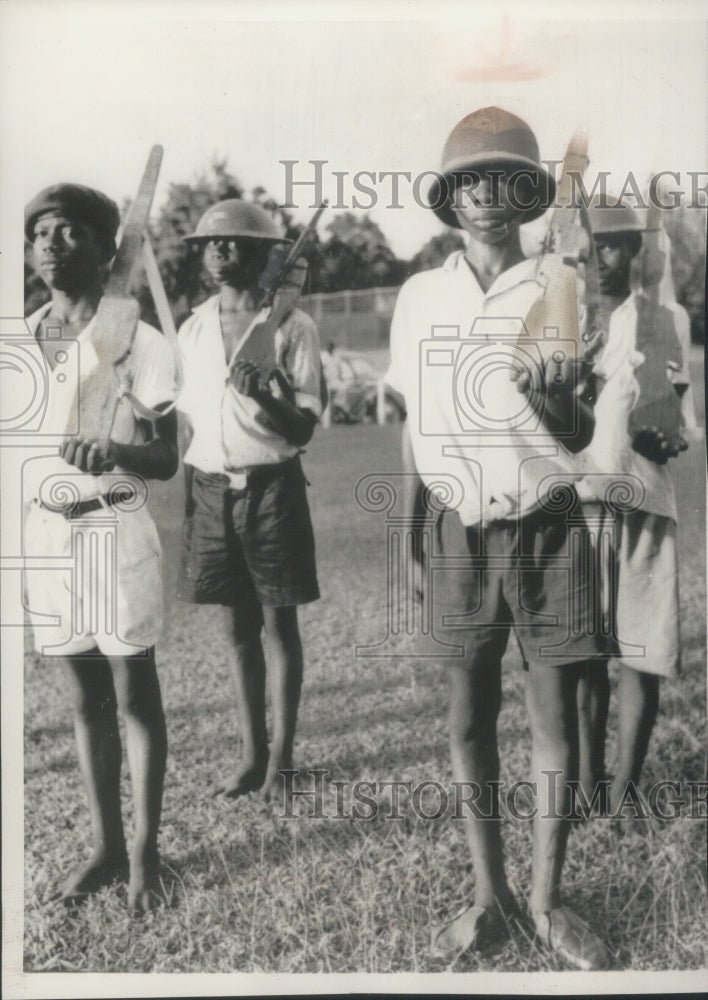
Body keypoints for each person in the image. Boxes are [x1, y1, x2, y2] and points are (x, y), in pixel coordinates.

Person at [385, 107, 609, 969]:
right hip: (456, 530)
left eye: (508, 179)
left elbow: (577, 432)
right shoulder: (419, 295)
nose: (488, 193)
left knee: (553, 717)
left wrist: (552, 390)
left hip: (547, 526)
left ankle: (548, 899)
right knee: (468, 715)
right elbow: (413, 428)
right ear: (450, 197)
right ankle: (490, 896)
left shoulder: (559, 283)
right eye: (471, 179)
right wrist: (409, 533)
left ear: (529, 195)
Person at [23, 184, 179, 912]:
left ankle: (147, 853)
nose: (51, 244)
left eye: (71, 232)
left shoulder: (140, 339)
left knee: (133, 694)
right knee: (84, 702)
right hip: (46, 537)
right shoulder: (20, 337)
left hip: (113, 526)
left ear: (108, 250)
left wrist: (114, 447)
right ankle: (106, 848)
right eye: (40, 233)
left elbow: (165, 457)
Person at [177, 199, 322, 802]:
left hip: (272, 490)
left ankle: (284, 759)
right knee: (236, 630)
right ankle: (251, 754)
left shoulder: (292, 326)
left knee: (277, 626)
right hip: (211, 489)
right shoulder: (191, 327)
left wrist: (264, 397)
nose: (219, 252)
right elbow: (188, 422)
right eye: (211, 243)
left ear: (266, 255)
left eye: (235, 242)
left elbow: (304, 428)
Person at [575, 198, 695, 812]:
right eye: (590, 247)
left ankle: (623, 792)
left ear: (633, 249)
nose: (600, 259)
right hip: (581, 505)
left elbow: (673, 427)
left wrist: (662, 432)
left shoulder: (663, 317)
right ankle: (588, 782)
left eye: (613, 245)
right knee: (587, 656)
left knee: (641, 654)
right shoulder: (564, 321)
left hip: (645, 502)